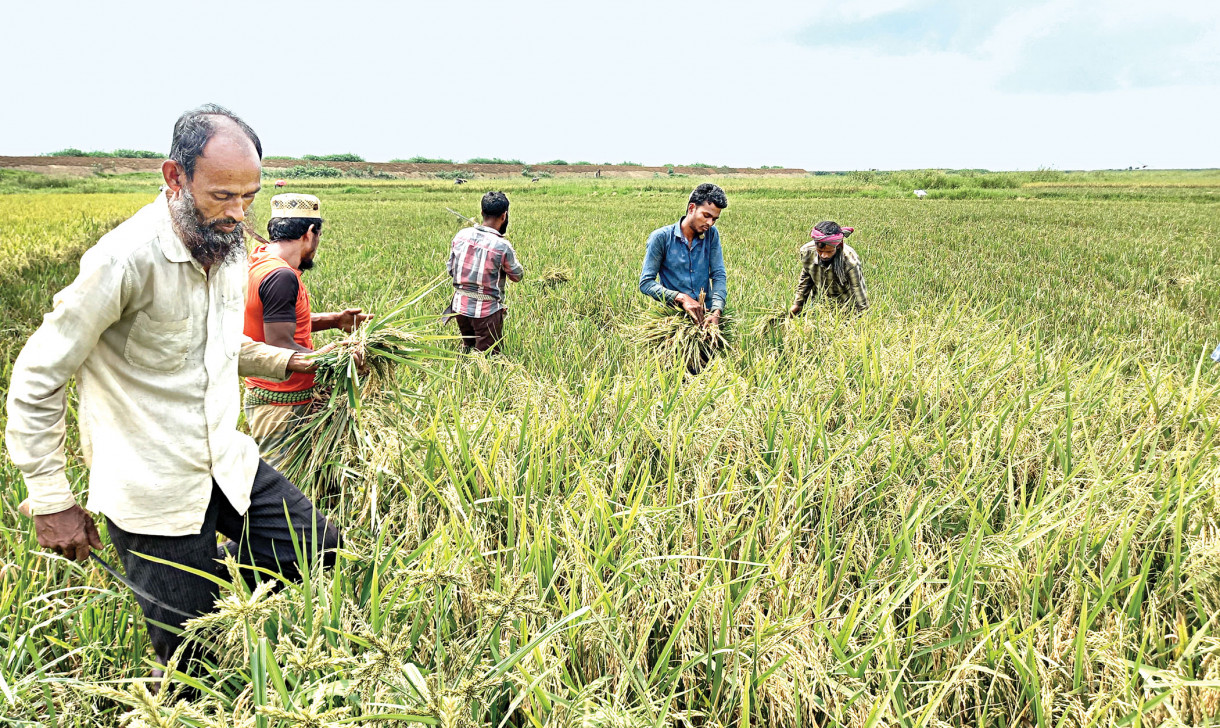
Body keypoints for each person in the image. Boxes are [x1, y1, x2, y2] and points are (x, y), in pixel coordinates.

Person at [4, 104, 340, 676]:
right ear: (174, 177)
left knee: (315, 545)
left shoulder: (228, 247)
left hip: (224, 459)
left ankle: (220, 589)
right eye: (221, 196)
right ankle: (192, 622)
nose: (238, 214)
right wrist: (52, 499)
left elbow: (219, 348)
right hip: (153, 486)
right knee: (194, 664)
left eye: (249, 196)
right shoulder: (122, 260)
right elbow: (38, 376)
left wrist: (295, 361)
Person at [243, 193, 369, 468]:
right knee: (284, 494)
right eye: (318, 236)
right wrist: (334, 357)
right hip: (282, 406)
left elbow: (276, 321)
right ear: (310, 232)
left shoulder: (261, 259)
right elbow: (280, 346)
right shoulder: (281, 277)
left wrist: (335, 320)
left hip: (273, 396)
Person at [638, 183, 729, 326]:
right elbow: (646, 283)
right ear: (691, 208)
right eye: (706, 216)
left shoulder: (711, 234)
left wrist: (717, 310)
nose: (710, 223)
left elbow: (718, 274)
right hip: (673, 319)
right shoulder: (661, 238)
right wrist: (681, 298)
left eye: (714, 219)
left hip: (707, 317)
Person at [446, 191, 525, 353]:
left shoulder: (461, 235)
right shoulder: (502, 246)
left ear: (482, 213)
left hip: (460, 307)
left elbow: (451, 269)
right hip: (486, 312)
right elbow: (517, 276)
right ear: (504, 216)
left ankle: (461, 371)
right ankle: (480, 375)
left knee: (468, 346)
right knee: (488, 356)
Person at [789, 220, 870, 315]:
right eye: (820, 251)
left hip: (845, 306)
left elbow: (857, 288)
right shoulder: (807, 252)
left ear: (838, 246)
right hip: (819, 305)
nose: (824, 255)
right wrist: (798, 304)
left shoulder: (850, 260)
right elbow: (806, 277)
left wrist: (864, 316)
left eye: (829, 251)